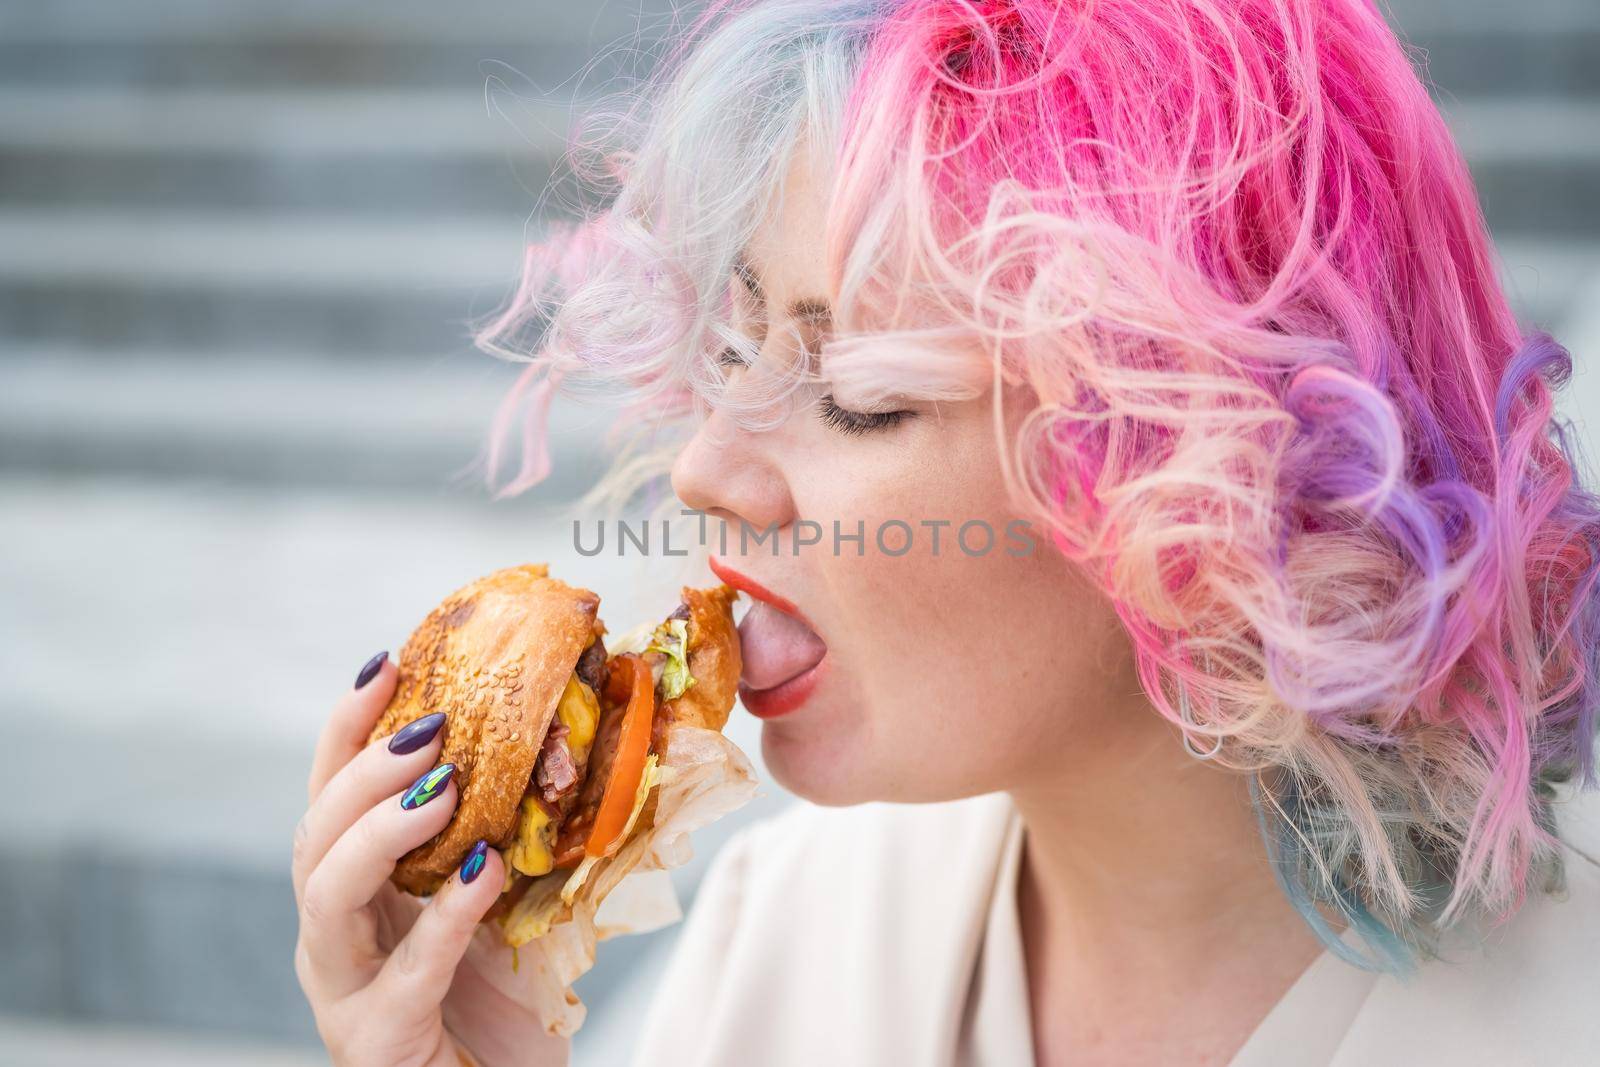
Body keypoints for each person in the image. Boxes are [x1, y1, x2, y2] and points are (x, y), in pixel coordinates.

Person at [292, 1, 1600, 1064]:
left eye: (859, 395)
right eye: (734, 349)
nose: (702, 473)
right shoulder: (791, 938)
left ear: (1212, 477)